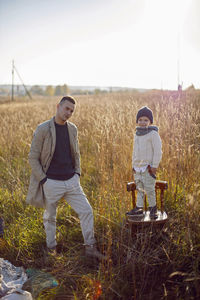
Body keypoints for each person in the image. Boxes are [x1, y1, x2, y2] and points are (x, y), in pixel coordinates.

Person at [26, 96, 104, 259]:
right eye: (66, 108)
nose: (69, 113)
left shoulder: (72, 129)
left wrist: (77, 174)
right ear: (58, 106)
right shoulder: (43, 129)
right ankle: (51, 249)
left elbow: (76, 154)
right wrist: (44, 180)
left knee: (87, 211)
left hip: (72, 181)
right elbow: (32, 157)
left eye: (71, 111)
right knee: (50, 218)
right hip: (51, 182)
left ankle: (90, 249)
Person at [126, 106, 162, 219]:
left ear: (150, 121)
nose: (142, 122)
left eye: (146, 120)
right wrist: (133, 165)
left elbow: (158, 151)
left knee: (150, 189)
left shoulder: (153, 134)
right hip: (138, 168)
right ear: (137, 121)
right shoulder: (137, 134)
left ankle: (153, 209)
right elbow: (134, 151)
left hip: (148, 168)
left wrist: (154, 166)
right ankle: (139, 208)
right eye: (140, 120)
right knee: (140, 189)